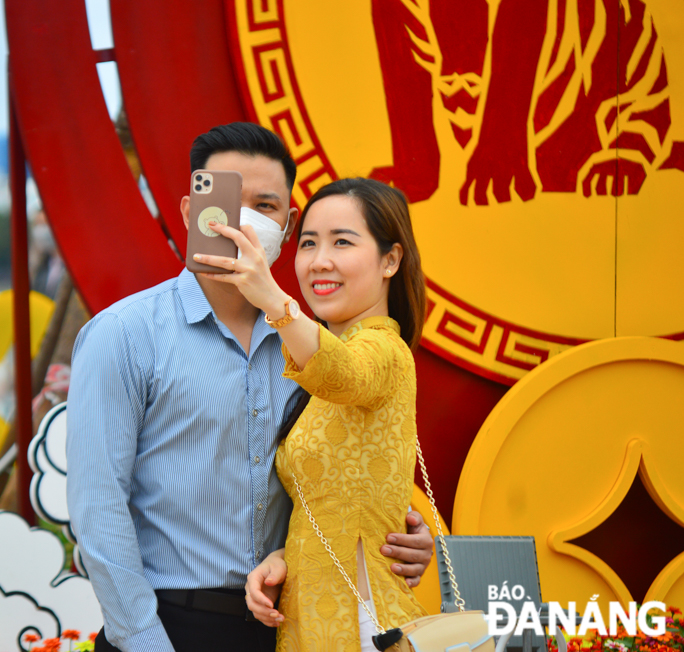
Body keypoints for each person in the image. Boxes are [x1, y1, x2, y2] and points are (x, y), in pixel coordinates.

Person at [66, 123, 433, 652]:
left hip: (283, 629)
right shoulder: (126, 335)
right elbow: (99, 510)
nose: (245, 221)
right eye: (228, 199)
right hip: (169, 625)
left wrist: (400, 537)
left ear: (285, 227)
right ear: (193, 212)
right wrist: (145, 641)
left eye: (267, 206)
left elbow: (341, 472)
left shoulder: (313, 346)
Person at [198, 177, 428, 650]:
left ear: (391, 259)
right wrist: (285, 556)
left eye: (342, 241)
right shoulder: (317, 361)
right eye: (308, 243)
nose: (319, 260)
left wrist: (271, 299)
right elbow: (335, 505)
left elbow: (345, 374)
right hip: (310, 623)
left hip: (363, 628)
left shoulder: (383, 349)